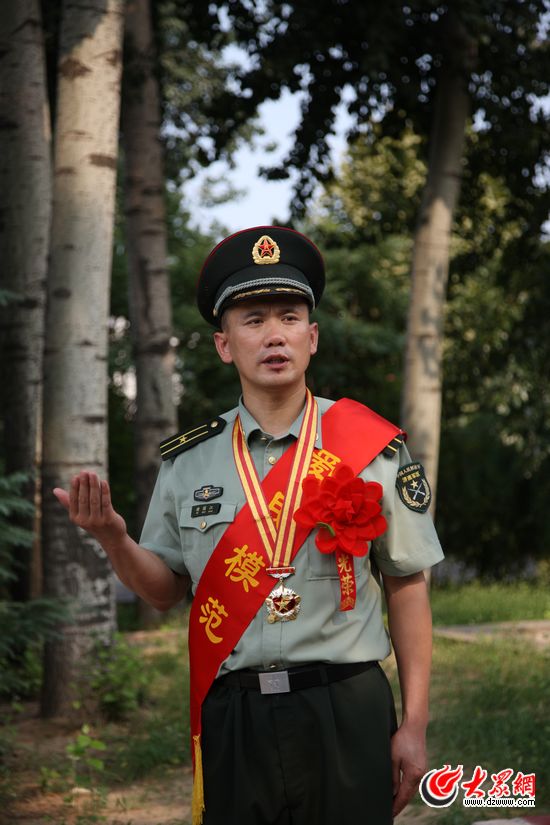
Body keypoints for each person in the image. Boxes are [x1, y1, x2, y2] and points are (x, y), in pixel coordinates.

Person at [54, 225, 444, 825]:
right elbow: (163, 591)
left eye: (289, 317)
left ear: (312, 337)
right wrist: (113, 537)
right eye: (253, 320)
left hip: (346, 709)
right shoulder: (189, 462)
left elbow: (407, 585)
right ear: (224, 344)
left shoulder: (371, 448)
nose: (274, 335)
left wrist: (414, 725)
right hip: (235, 717)